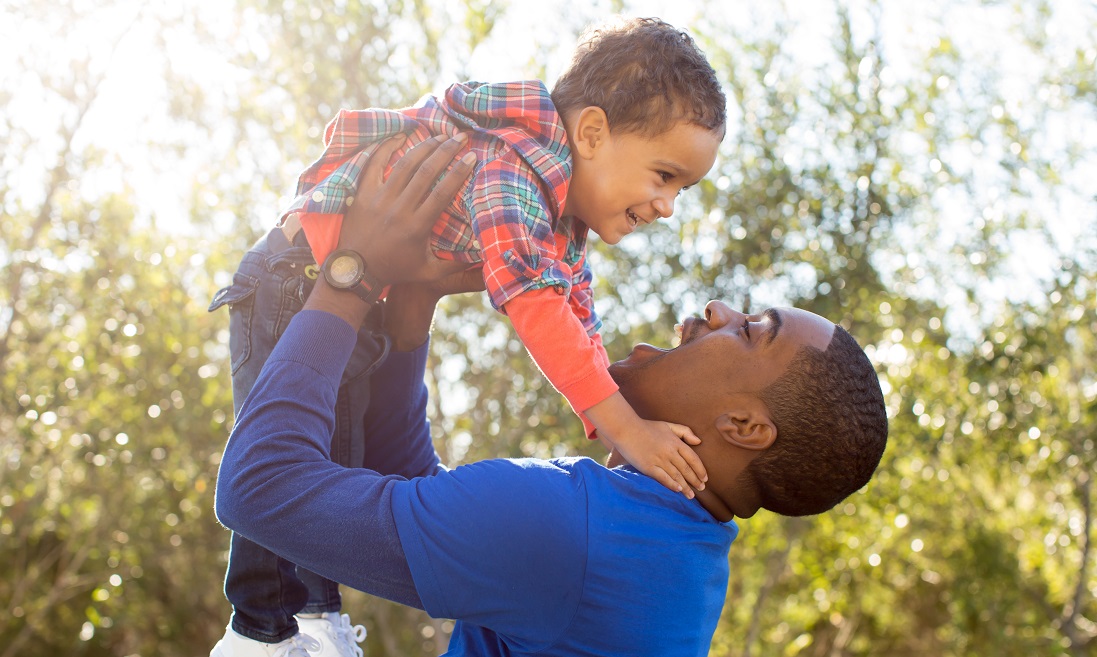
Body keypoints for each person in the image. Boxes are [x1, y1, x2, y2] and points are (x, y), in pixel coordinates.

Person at [214, 136, 889, 656]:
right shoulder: (657, 550)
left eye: (749, 331)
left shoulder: (578, 533)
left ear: (743, 424)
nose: (716, 309)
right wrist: (413, 294)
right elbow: (418, 493)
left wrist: (351, 274)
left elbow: (258, 490)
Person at [209, 16, 727, 654]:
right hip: (300, 275)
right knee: (298, 449)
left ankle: (305, 618)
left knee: (334, 450)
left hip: (360, 290)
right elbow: (536, 308)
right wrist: (624, 426)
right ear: (592, 132)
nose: (668, 205)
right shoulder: (513, 173)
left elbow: (576, 318)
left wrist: (613, 414)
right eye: (664, 175)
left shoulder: (561, 225)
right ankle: (271, 627)